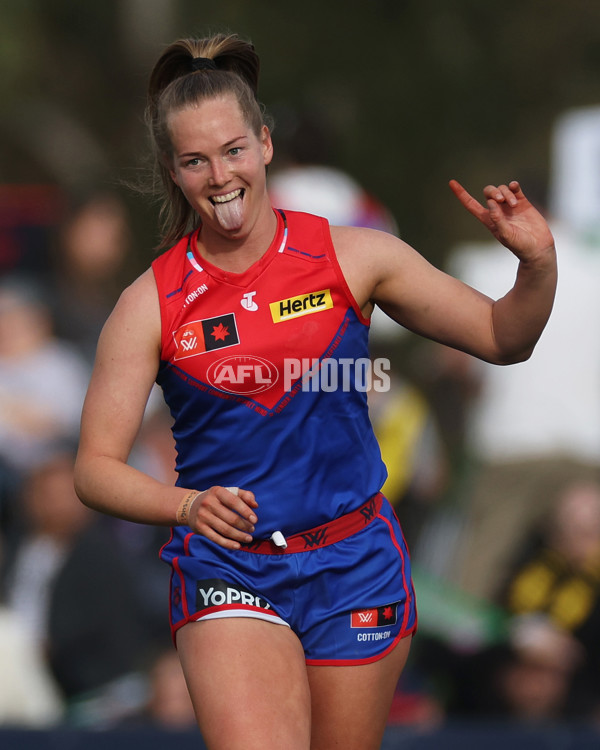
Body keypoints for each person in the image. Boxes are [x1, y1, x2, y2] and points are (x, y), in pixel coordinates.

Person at [73, 32, 557, 750]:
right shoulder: (150, 303)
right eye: (195, 160)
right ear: (174, 173)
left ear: (266, 145)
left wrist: (538, 264)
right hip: (231, 570)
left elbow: (501, 337)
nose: (220, 175)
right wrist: (185, 504)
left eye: (233, 150)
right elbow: (94, 469)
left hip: (354, 566)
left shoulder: (356, 257)